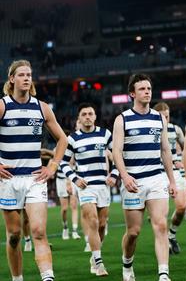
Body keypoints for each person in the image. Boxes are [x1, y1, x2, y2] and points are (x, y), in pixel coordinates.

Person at [0, 60, 68, 281]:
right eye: (21, 75)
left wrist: (53, 166)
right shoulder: (2, 105)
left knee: (38, 231)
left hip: (34, 179)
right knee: (14, 235)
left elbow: (63, 140)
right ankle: (17, 279)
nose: (27, 78)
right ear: (12, 79)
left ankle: (48, 277)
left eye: (29, 74)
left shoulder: (41, 107)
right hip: (8, 181)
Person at [112, 74, 178, 281]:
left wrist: (172, 180)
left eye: (149, 88)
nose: (147, 92)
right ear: (132, 93)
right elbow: (116, 151)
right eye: (142, 89)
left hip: (156, 179)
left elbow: (166, 150)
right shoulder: (122, 119)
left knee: (160, 225)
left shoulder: (159, 118)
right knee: (133, 232)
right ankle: (127, 264)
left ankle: (164, 273)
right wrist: (125, 176)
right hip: (133, 182)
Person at [60, 103, 114, 276]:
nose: (88, 117)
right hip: (86, 186)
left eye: (91, 113)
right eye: (84, 114)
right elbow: (62, 162)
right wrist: (75, 179)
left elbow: (119, 156)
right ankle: (99, 263)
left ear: (95, 116)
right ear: (79, 118)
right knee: (92, 221)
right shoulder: (73, 139)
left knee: (102, 224)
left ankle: (93, 255)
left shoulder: (105, 134)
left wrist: (114, 174)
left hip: (103, 185)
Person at [152, 102, 186, 255]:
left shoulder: (176, 129)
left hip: (174, 172)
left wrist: (181, 159)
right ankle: (164, 241)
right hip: (158, 173)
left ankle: (172, 234)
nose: (166, 119)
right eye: (163, 116)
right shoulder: (151, 130)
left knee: (182, 207)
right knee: (162, 213)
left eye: (167, 115)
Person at [55, 157, 80, 240]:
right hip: (60, 180)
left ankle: (75, 230)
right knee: (64, 208)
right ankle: (65, 227)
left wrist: (69, 182)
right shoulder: (56, 149)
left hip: (72, 179)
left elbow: (70, 163)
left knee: (74, 206)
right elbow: (53, 159)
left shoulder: (71, 147)